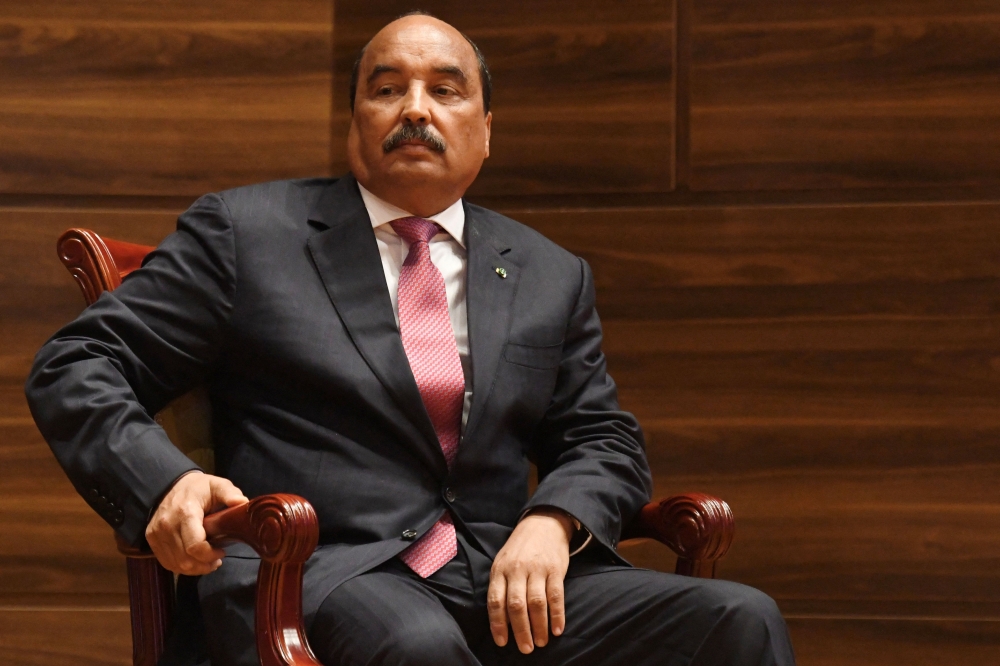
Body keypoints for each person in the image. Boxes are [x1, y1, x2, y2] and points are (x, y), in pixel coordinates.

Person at [26, 11, 795, 666]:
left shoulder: (550, 273)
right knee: (417, 644)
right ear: (355, 122)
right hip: (320, 571)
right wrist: (166, 482)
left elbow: (602, 438)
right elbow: (79, 363)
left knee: (738, 619)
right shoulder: (248, 235)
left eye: (445, 89)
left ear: (486, 131)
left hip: (501, 577)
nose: (415, 109)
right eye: (387, 89)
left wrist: (553, 521)